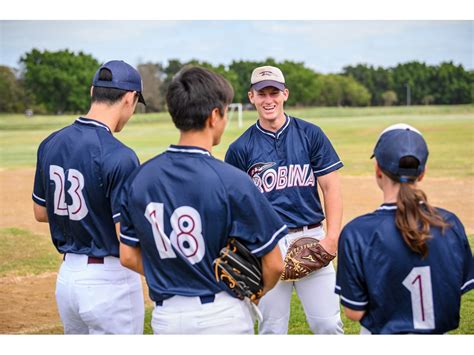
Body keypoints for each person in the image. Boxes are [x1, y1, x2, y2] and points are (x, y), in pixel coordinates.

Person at [119, 66, 286, 335]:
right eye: (225, 112)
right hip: (221, 314)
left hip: (167, 318)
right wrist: (255, 293)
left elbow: (128, 256)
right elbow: (275, 263)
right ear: (214, 116)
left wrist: (173, 272)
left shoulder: (140, 178)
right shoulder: (232, 180)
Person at [225, 65, 344, 334]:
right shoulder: (240, 149)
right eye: (262, 93)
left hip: (312, 238)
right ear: (251, 97)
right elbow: (236, 207)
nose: (269, 100)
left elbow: (331, 187)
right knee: (272, 330)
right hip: (267, 244)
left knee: (327, 324)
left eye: (274, 93)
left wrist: (332, 238)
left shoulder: (310, 134)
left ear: (285, 94)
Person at [32, 60, 146, 334]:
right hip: (110, 282)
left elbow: (40, 212)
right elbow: (126, 237)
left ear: (92, 90)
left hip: (68, 280)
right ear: (130, 98)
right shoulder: (120, 155)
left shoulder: (51, 142)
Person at [335, 123, 474, 334]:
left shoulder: (357, 232)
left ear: (378, 170)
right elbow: (457, 290)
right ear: (422, 173)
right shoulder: (449, 223)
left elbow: (354, 312)